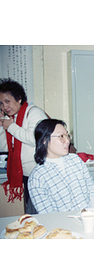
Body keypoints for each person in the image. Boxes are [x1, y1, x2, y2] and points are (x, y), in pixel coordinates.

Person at [28, 119, 94, 213]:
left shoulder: (75, 160)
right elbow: (47, 214)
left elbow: (91, 187)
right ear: (44, 140)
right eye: (61, 136)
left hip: (90, 217)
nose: (67, 141)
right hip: (64, 225)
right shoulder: (37, 177)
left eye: (67, 136)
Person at [0, 78, 48, 214]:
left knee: (37, 214)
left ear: (19, 98)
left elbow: (36, 139)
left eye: (7, 101)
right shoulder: (13, 119)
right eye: (1, 103)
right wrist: (1, 128)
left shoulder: (33, 113)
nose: (4, 107)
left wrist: (11, 127)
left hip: (38, 174)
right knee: (28, 213)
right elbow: (5, 148)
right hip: (23, 174)